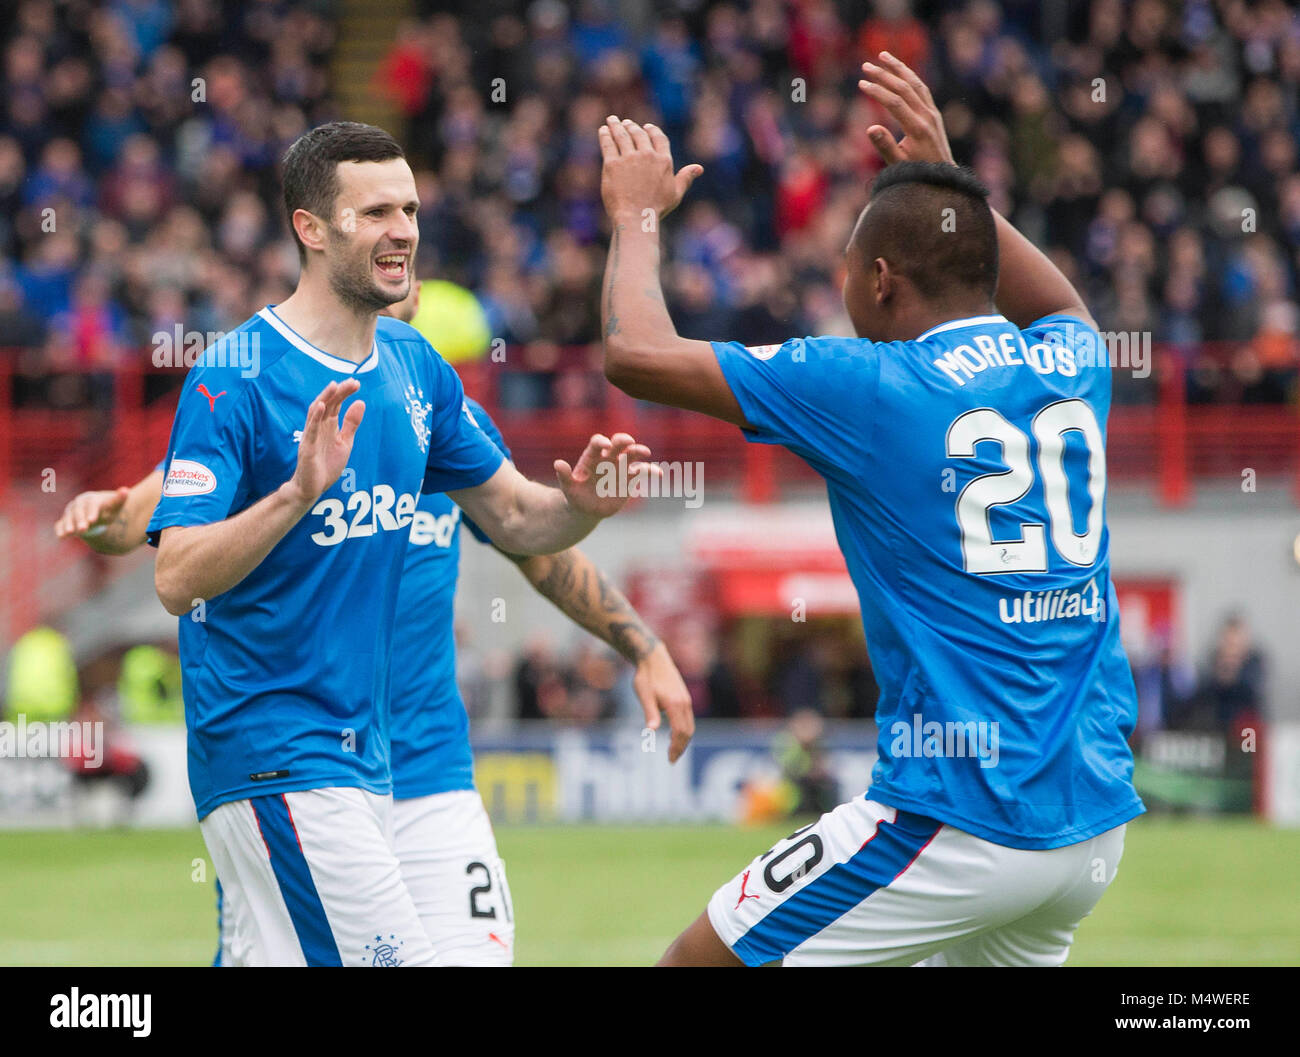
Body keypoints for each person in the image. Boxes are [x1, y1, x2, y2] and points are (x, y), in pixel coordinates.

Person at [594, 53, 1145, 967]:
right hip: (1088, 828)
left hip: (958, 821)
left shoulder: (873, 384)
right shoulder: (1070, 362)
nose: (841, 291)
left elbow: (636, 353)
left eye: (847, 270)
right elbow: (1064, 302)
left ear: (881, 279)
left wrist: (637, 213)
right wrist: (953, 185)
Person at [53, 270, 692, 966]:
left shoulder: (445, 421)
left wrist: (644, 646)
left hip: (428, 768)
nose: (402, 294)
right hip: (301, 764)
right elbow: (150, 522)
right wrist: (105, 521)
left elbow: (537, 549)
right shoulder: (264, 403)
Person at [143, 121, 655, 966]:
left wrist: (583, 505)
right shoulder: (234, 375)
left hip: (370, 766)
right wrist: (297, 495)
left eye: (410, 208)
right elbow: (174, 576)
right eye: (375, 211)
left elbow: (521, 519)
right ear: (311, 228)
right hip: (276, 753)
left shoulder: (416, 368)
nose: (404, 230)